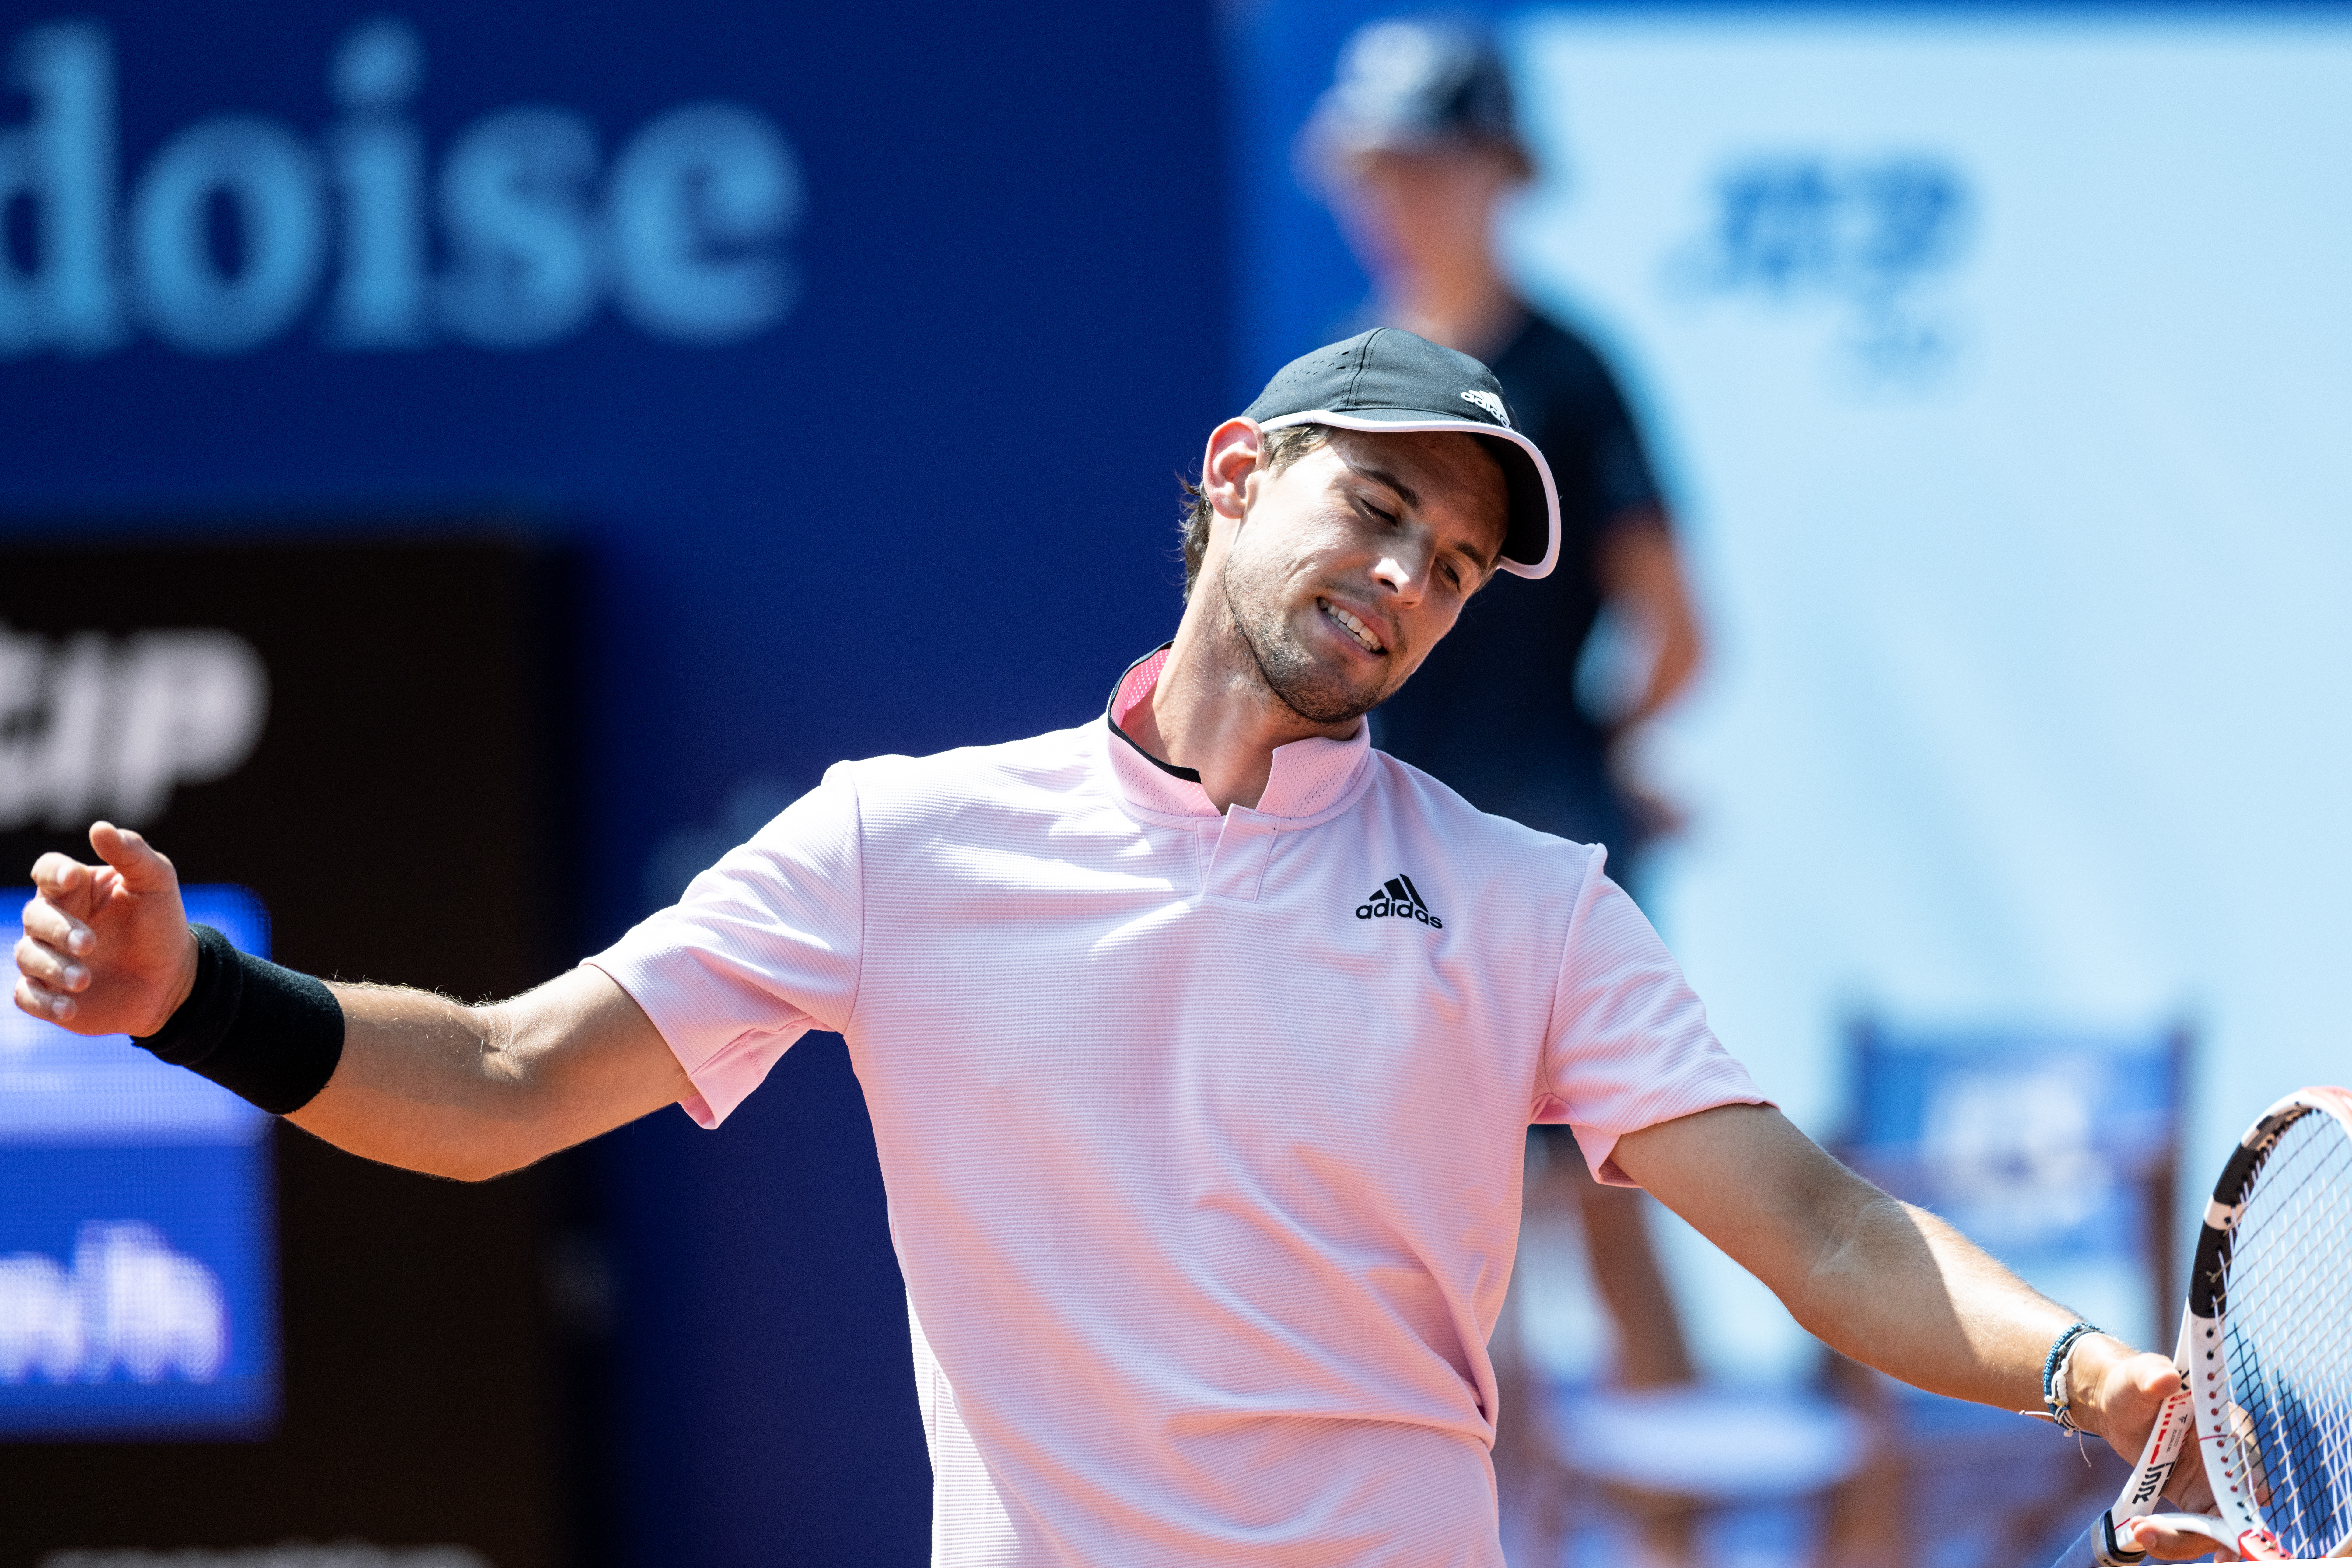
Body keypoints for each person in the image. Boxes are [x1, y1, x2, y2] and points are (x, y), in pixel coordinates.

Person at [17, 330, 2214, 1566]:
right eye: (1376, 509)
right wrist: (193, 996)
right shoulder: (898, 841)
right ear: (1238, 472)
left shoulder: (1531, 898)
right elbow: (500, 1087)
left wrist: (2093, 1373)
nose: (1408, 582)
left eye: (1455, 566)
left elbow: (1821, 1229)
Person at [1303, 17, 1706, 1532]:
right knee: (1445, 1234)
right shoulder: (1353, 377)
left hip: (1555, 857)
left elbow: (1680, 634)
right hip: (1391, 862)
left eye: (1425, 163)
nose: (1394, 193)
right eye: (1374, 166)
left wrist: (1601, 759)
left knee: (1617, 1196)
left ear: (1498, 174)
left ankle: (1675, 1551)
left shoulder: (1579, 377)